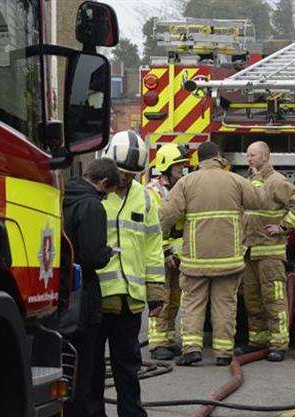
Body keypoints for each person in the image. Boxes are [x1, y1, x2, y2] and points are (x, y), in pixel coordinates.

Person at [160, 141, 263, 366]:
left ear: (199, 159)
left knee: (194, 303)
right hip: (229, 259)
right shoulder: (236, 180)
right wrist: (254, 179)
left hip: (196, 259)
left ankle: (192, 350)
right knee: (225, 305)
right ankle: (224, 353)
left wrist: (162, 241)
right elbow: (257, 201)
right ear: (218, 157)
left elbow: (166, 215)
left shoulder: (186, 182)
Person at [93, 130, 165, 417]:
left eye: (132, 174)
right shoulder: (94, 195)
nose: (126, 179)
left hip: (129, 301)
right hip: (96, 297)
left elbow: (153, 246)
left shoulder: (144, 199)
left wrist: (156, 291)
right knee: (92, 369)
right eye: (122, 173)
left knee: (128, 368)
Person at [235, 141, 295, 362]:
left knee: (273, 299)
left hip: (270, 252)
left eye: (253, 155)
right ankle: (257, 340)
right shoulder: (251, 182)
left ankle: (278, 344)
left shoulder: (276, 181)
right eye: (247, 155)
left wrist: (284, 227)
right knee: (253, 299)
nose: (249, 159)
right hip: (250, 252)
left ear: (266, 157)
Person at [63, 157, 120, 417]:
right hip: (84, 295)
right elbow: (92, 256)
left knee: (67, 361)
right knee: (87, 364)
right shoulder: (92, 206)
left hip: (62, 291)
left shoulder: (64, 195)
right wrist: (108, 251)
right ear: (104, 182)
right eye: (108, 193)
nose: (106, 198)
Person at [146, 144, 190, 361]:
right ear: (166, 167)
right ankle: (157, 343)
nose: (181, 171)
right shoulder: (153, 193)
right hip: (160, 255)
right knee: (160, 298)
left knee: (174, 299)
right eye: (178, 167)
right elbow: (155, 227)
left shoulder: (177, 191)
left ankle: (168, 339)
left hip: (176, 256)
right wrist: (165, 253)